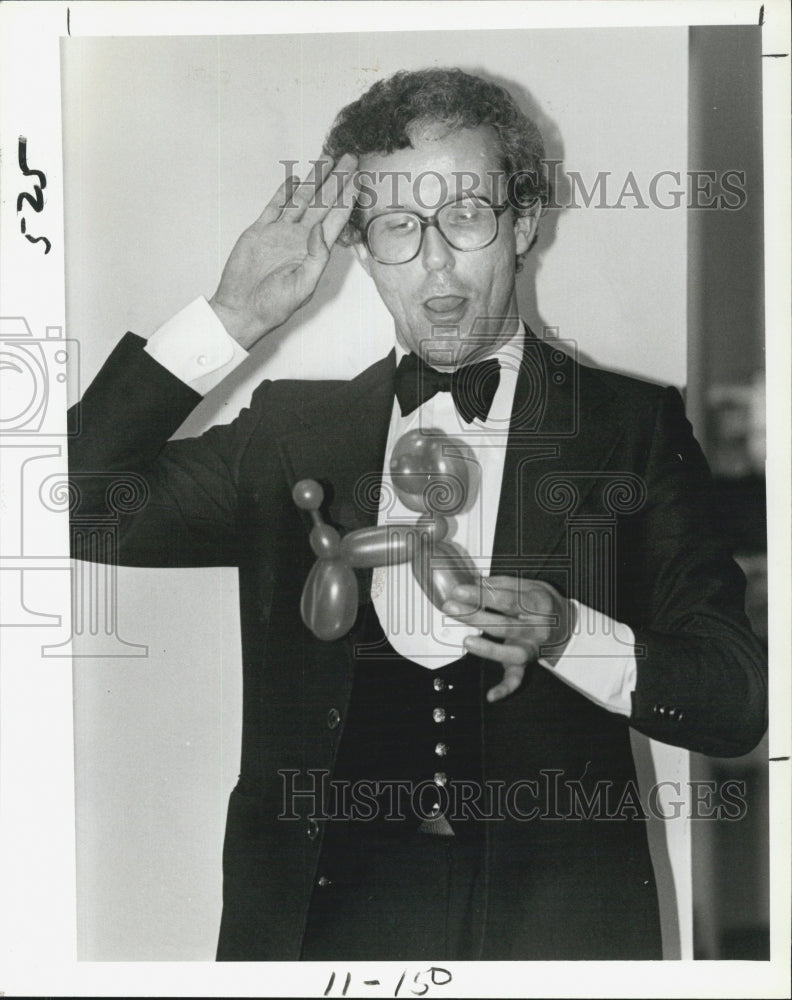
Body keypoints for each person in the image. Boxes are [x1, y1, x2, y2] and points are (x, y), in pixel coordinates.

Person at [69, 68, 767, 961]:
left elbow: (736, 701)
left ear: (522, 224)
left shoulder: (632, 430)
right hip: (316, 929)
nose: (433, 260)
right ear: (362, 249)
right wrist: (230, 318)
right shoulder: (290, 434)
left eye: (466, 216)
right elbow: (75, 509)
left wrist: (571, 634)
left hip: (555, 929)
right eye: (399, 226)